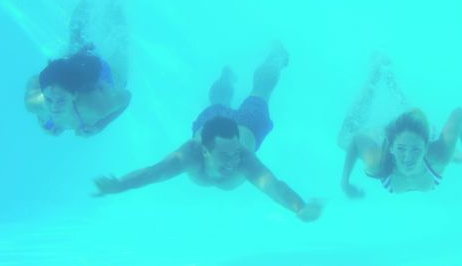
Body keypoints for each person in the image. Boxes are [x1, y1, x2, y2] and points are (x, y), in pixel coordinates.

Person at [93, 44, 323, 222]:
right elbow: (154, 173)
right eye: (224, 156)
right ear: (204, 150)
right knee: (219, 99)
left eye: (234, 155)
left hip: (248, 127)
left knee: (261, 90)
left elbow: (275, 186)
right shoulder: (188, 155)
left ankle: (276, 57)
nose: (233, 162)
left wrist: (299, 207)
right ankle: (227, 77)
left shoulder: (244, 160)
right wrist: (120, 185)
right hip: (213, 124)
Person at [338, 54, 462, 196]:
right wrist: (345, 182)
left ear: (426, 147)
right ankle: (375, 75)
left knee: (407, 113)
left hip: (419, 132)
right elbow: (356, 139)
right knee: (344, 139)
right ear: (391, 148)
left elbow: (460, 114)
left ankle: (388, 77)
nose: (408, 158)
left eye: (415, 150)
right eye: (401, 149)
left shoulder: (440, 155)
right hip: (404, 135)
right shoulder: (378, 161)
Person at [24, 0, 131, 137]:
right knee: (77, 27)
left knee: (119, 37)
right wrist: (43, 118)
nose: (53, 107)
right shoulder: (35, 104)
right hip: (74, 65)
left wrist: (101, 126)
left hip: (108, 74)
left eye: (61, 100)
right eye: (48, 99)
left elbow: (126, 97)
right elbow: (35, 80)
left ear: (75, 95)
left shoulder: (94, 106)